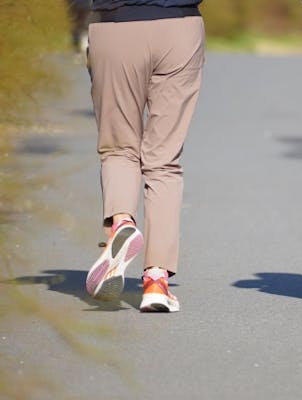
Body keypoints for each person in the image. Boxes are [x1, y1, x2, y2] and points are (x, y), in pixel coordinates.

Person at [85, 0, 205, 312]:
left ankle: (122, 223)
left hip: (115, 25)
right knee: (164, 159)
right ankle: (156, 282)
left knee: (119, 146)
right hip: (179, 27)